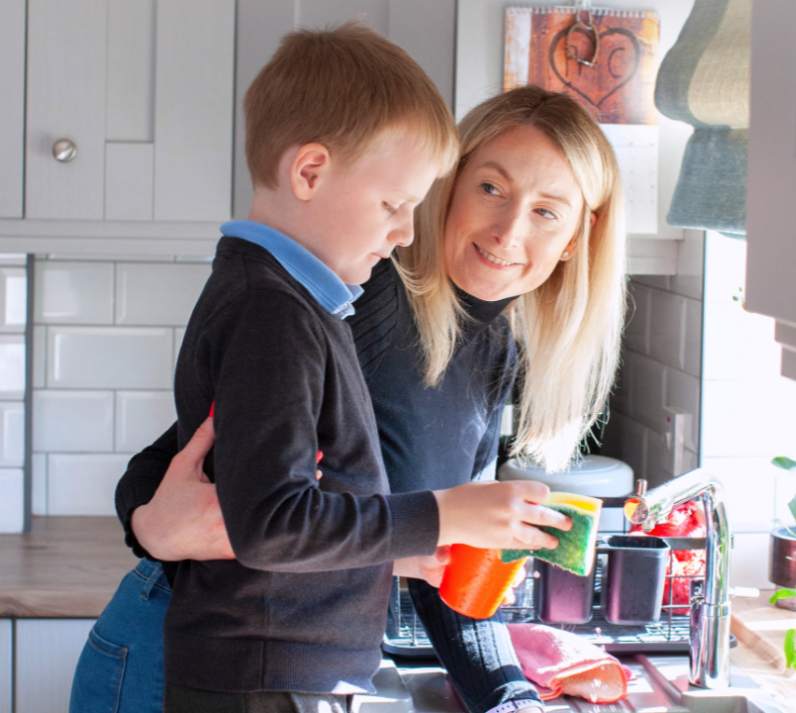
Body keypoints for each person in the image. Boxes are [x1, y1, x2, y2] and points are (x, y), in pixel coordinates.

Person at [71, 66, 626, 713]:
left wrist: (509, 697)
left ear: (576, 237)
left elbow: (442, 573)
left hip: (291, 657)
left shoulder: (497, 352)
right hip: (184, 642)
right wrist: (153, 528)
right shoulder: (361, 297)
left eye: (545, 210)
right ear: (449, 184)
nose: (508, 231)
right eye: (490, 187)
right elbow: (170, 461)